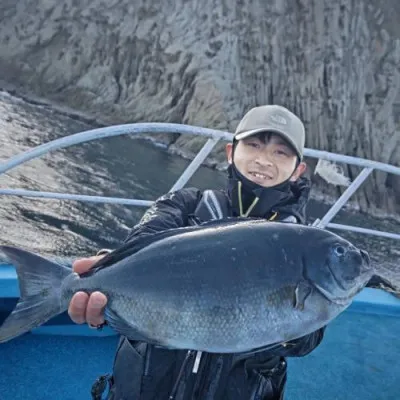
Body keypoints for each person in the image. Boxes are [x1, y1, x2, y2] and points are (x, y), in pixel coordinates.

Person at [68, 104, 325, 400]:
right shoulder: (183, 205)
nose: (264, 160)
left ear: (298, 170)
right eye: (254, 145)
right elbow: (141, 244)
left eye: (281, 152)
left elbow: (310, 338)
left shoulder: (305, 249)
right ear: (230, 152)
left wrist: (284, 325)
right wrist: (108, 274)